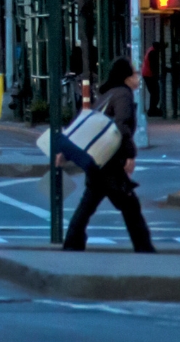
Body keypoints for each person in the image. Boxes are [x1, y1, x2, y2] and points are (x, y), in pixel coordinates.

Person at [62, 58, 156, 253]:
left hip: (98, 159)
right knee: (130, 205)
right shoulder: (123, 95)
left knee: (89, 203)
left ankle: (73, 241)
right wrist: (129, 155)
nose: (138, 77)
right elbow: (122, 126)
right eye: (134, 74)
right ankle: (144, 247)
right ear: (126, 77)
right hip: (110, 160)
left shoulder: (108, 95)